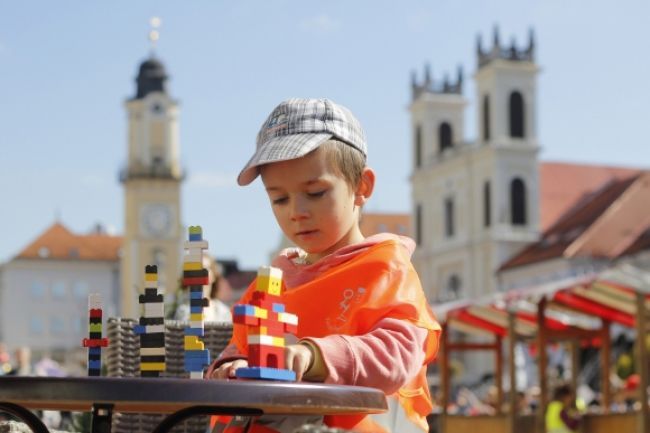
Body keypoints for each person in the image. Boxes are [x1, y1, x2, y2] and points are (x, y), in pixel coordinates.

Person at [205, 98, 441, 433]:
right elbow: (241, 342)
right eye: (279, 199)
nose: (296, 211)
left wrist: (314, 356)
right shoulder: (274, 279)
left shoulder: (385, 268)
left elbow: (398, 354)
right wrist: (232, 365)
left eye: (315, 193)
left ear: (362, 186)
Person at [175, 253, 232, 323]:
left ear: (213, 275)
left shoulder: (223, 311)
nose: (200, 274)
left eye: (204, 268)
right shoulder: (183, 311)